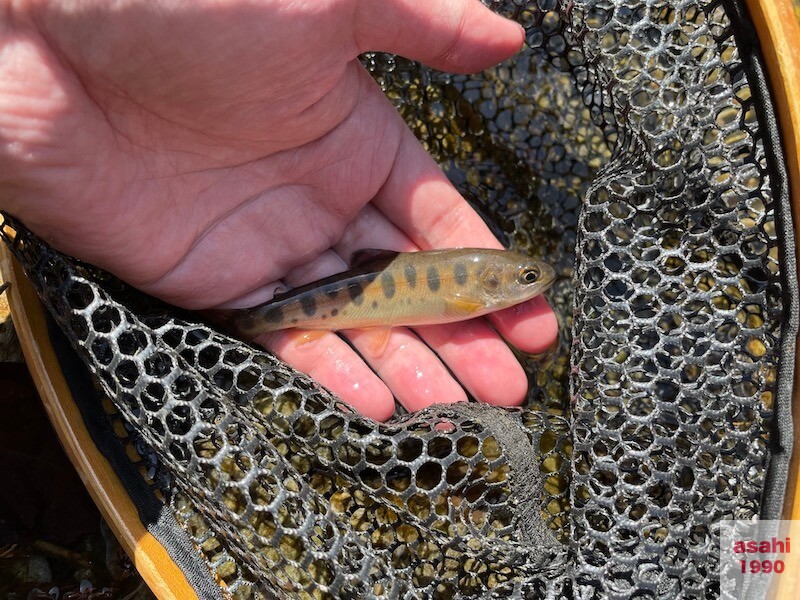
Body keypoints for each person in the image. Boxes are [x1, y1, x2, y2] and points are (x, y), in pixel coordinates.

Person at [0, 0, 558, 420]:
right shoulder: (471, 291)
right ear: (499, 283)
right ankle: (246, 326)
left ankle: (241, 328)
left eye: (528, 277)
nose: (533, 283)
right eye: (527, 278)